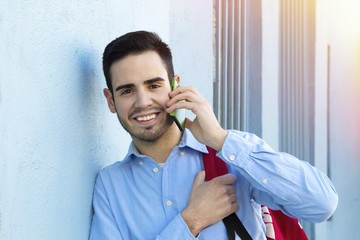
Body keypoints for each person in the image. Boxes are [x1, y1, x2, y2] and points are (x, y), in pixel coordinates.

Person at [89, 31, 338, 240]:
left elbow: (322, 204)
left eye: (154, 86)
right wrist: (192, 221)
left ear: (175, 86)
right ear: (111, 101)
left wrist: (220, 138)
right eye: (127, 91)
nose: (143, 102)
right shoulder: (110, 185)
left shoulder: (232, 155)